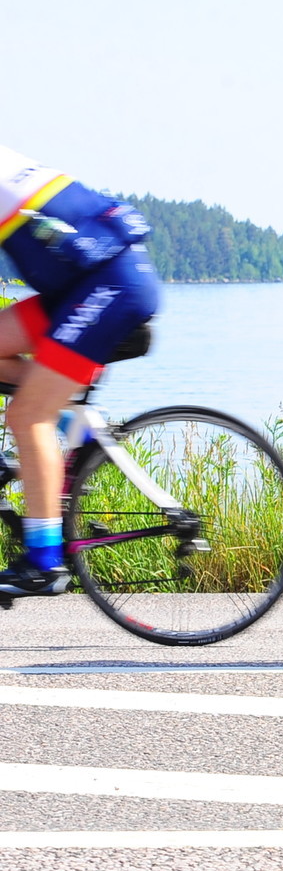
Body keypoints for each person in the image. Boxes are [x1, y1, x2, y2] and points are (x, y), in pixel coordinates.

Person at [0, 148, 160, 597]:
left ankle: (43, 563)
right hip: (85, 284)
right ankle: (75, 426)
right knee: (35, 400)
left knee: (27, 415)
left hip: (109, 286)